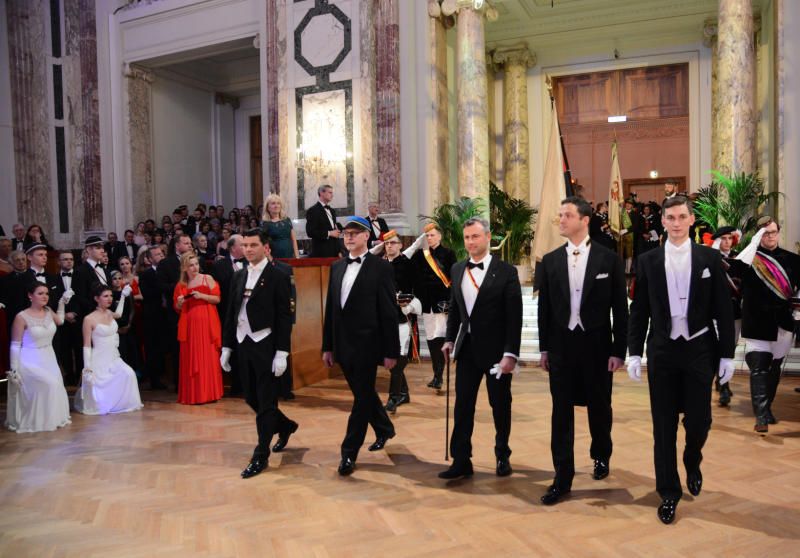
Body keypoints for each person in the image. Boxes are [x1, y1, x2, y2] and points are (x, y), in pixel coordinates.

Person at [627, 195, 736, 525]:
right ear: (663, 221)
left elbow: (723, 309)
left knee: (700, 420)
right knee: (663, 425)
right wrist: (634, 352)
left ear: (691, 220)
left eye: (681, 217)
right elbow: (639, 311)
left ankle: (692, 457)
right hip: (662, 350)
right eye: (670, 217)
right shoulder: (647, 261)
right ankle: (668, 492)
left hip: (699, 348)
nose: (675, 223)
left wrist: (727, 354)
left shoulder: (709, 258)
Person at [536, 197, 628, 505]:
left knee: (599, 408)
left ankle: (601, 454)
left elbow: (620, 309)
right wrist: (544, 349)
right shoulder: (550, 261)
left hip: (598, 348)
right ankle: (562, 477)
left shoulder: (608, 259)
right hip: (561, 348)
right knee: (560, 413)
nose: (561, 220)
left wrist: (618, 350)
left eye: (567, 215)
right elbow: (545, 310)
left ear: (584, 220)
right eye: (560, 214)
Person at [436, 218, 522, 480]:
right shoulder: (457, 269)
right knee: (463, 406)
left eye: (475, 236)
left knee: (500, 406)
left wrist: (510, 354)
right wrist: (449, 339)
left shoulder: (506, 271)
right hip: (467, 350)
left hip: (497, 352)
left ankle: (502, 454)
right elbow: (455, 309)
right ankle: (461, 460)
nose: (470, 242)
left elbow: (514, 317)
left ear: (488, 237)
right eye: (467, 238)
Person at [322, 217, 399, 476]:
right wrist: (327, 346)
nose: (349, 237)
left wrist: (391, 351)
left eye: (355, 233)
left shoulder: (381, 268)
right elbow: (331, 310)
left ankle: (348, 452)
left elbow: (388, 311)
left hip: (368, 344)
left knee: (362, 399)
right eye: (346, 233)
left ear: (367, 236)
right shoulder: (336, 267)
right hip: (342, 346)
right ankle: (385, 428)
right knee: (363, 394)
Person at [220, 228, 296, 479]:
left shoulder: (278, 275)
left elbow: (284, 317)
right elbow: (231, 313)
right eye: (245, 245)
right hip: (243, 343)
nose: (248, 249)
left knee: (266, 402)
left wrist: (282, 352)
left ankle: (260, 455)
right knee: (251, 397)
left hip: (266, 344)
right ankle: (285, 425)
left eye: (253, 245)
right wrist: (227, 346)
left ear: (266, 247)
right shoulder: (239, 275)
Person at [728, 217, 800, 433]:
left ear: (778, 232)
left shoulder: (793, 259)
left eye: (773, 232)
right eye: (765, 233)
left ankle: (766, 408)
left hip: (782, 322)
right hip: (756, 320)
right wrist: (753, 244)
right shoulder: (749, 258)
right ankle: (761, 416)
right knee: (758, 366)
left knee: (774, 367)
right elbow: (734, 270)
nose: (770, 236)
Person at [5, 282, 72, 433]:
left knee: (56, 385)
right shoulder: (21, 317)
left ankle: (51, 419)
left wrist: (61, 303)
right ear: (30, 296)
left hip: (49, 357)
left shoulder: (48, 311)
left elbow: (60, 321)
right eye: (40, 293)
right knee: (50, 384)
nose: (45, 296)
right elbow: (15, 345)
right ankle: (37, 420)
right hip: (30, 359)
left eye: (47, 293)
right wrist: (14, 370)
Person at [74, 283, 143, 415]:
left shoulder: (110, 313)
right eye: (105, 296)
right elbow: (87, 345)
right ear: (96, 298)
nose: (110, 298)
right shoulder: (89, 319)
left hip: (114, 357)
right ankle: (105, 404)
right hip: (99, 359)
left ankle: (121, 404)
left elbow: (119, 314)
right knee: (102, 382)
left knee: (129, 374)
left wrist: (122, 296)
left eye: (111, 296)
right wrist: (87, 368)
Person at [174, 253, 223, 405]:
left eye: (196, 264)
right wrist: (180, 303)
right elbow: (177, 308)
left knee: (208, 356)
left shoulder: (207, 278)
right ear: (184, 268)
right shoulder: (181, 285)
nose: (195, 268)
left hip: (207, 323)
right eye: (191, 265)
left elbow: (217, 299)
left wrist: (201, 295)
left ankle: (210, 393)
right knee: (191, 356)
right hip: (189, 325)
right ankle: (194, 395)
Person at [411, 223, 456, 390]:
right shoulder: (420, 255)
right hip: (426, 303)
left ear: (440, 236)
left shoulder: (449, 254)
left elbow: (453, 279)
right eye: (427, 236)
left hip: (441, 303)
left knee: (440, 338)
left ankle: (439, 375)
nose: (429, 238)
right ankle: (436, 374)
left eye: (432, 235)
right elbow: (412, 273)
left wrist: (451, 300)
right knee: (430, 339)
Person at [380, 230, 420, 413]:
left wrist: (410, 306)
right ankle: (404, 393)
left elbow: (416, 289)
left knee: (398, 358)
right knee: (390, 357)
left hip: (402, 316)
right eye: (387, 243)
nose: (390, 246)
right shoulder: (380, 265)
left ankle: (393, 397)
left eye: (393, 243)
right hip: (383, 318)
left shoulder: (408, 265)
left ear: (400, 245)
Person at [709, 226, 743, 407]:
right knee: (718, 347)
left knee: (730, 346)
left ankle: (721, 380)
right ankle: (723, 385)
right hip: (715, 310)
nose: (727, 242)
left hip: (734, 310)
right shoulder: (710, 258)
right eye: (723, 238)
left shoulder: (739, 258)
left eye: (730, 238)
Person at [158, 233, 194, 389]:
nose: (190, 245)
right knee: (178, 348)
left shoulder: (195, 261)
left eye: (190, 243)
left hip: (195, 311)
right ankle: (180, 383)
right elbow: (161, 286)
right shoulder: (166, 263)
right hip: (175, 313)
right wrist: (182, 286)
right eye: (186, 243)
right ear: (177, 245)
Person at [138, 245, 167, 390]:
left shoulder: (168, 272)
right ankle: (154, 379)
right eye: (156, 254)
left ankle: (164, 376)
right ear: (149, 259)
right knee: (153, 348)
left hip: (167, 316)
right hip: (152, 316)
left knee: (164, 347)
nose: (160, 256)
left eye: (161, 253)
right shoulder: (146, 275)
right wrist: (164, 288)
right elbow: (147, 294)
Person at [55, 250, 82, 385]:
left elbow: (83, 297)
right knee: (64, 349)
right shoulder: (53, 279)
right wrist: (64, 315)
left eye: (71, 259)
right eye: (65, 259)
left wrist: (75, 312)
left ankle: (81, 377)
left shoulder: (81, 276)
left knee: (80, 349)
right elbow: (52, 299)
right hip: (61, 320)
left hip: (79, 319)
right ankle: (69, 377)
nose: (69, 261)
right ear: (59, 262)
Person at [72, 236, 110, 318]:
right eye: (98, 248)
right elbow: (80, 297)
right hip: (91, 315)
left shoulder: (106, 270)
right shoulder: (80, 271)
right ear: (89, 250)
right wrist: (98, 310)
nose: (102, 251)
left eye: (102, 248)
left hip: (108, 314)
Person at [305, 184, 343, 257]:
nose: (332, 195)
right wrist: (329, 233)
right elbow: (310, 232)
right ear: (321, 193)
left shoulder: (332, 211)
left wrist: (339, 251)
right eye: (330, 192)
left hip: (334, 252)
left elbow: (334, 232)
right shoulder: (313, 210)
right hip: (321, 253)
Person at [23, 242, 61, 311]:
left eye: (45, 255)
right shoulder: (22, 278)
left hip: (51, 314)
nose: (44, 257)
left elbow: (57, 298)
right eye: (40, 255)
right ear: (29, 257)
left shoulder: (53, 277)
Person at [261, 193, 299, 259]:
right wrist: (269, 258)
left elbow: (293, 239)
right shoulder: (266, 223)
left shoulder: (287, 220)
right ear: (268, 207)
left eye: (278, 203)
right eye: (273, 203)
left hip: (290, 255)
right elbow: (264, 243)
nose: (276, 206)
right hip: (275, 257)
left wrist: (297, 256)